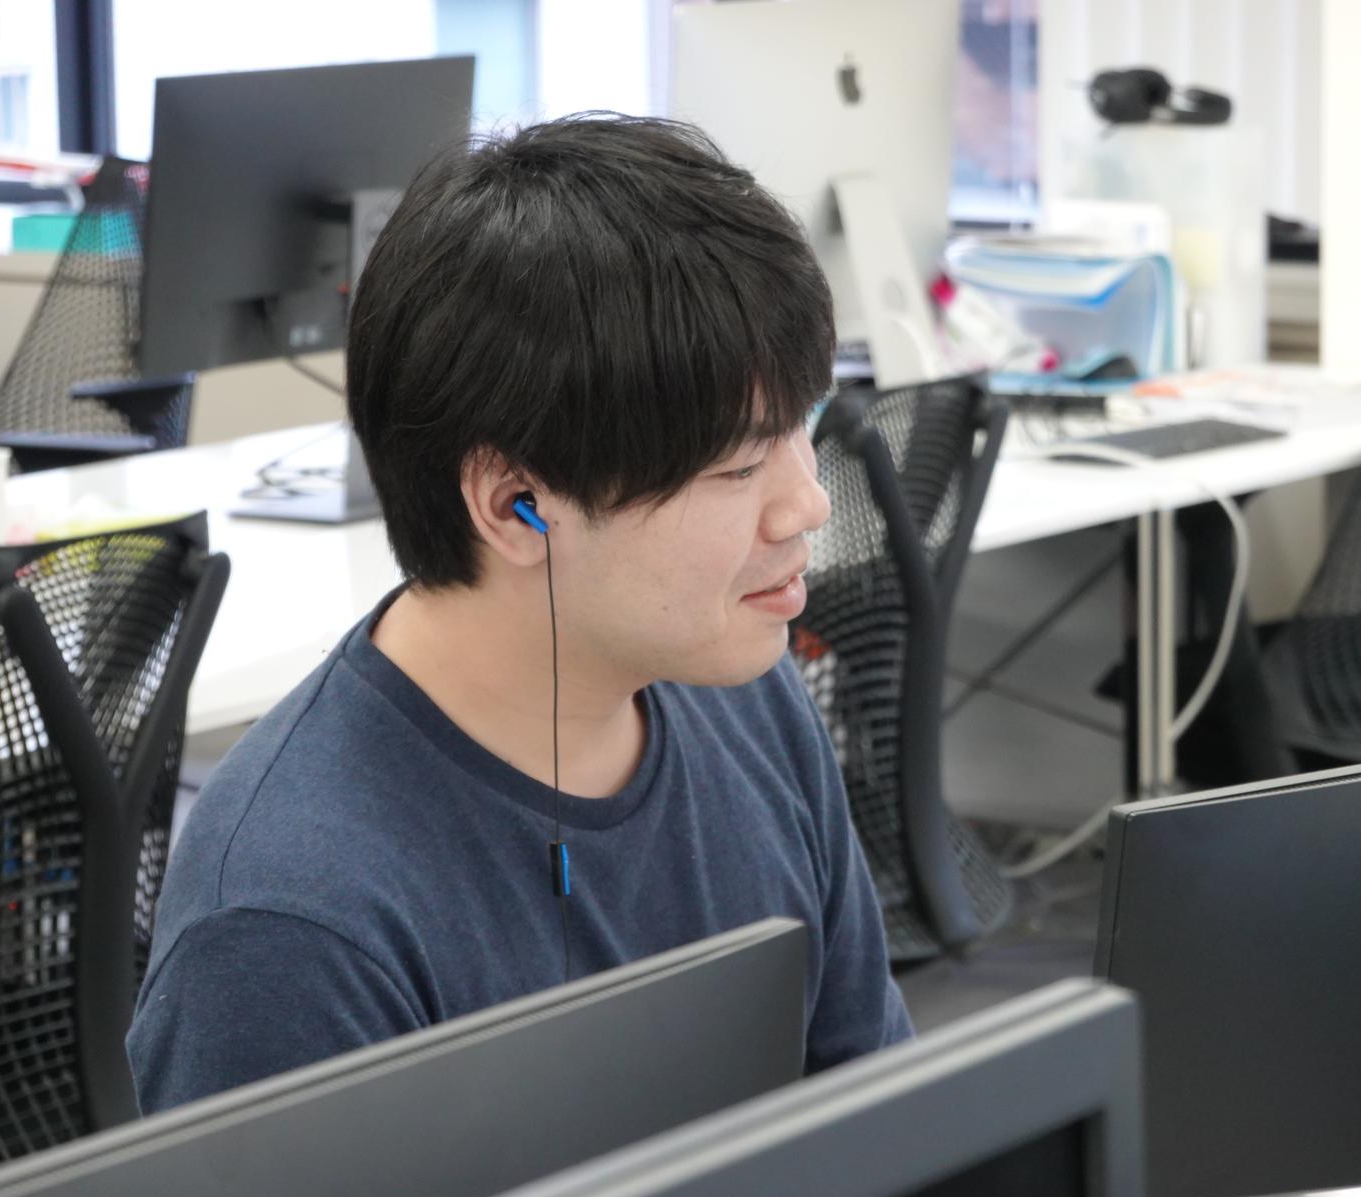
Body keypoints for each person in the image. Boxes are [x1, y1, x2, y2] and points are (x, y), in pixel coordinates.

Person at [127, 115, 913, 1112]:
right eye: (738, 465)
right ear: (514, 506)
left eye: (802, 427)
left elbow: (880, 1119)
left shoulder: (748, 694)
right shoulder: (290, 926)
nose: (808, 502)